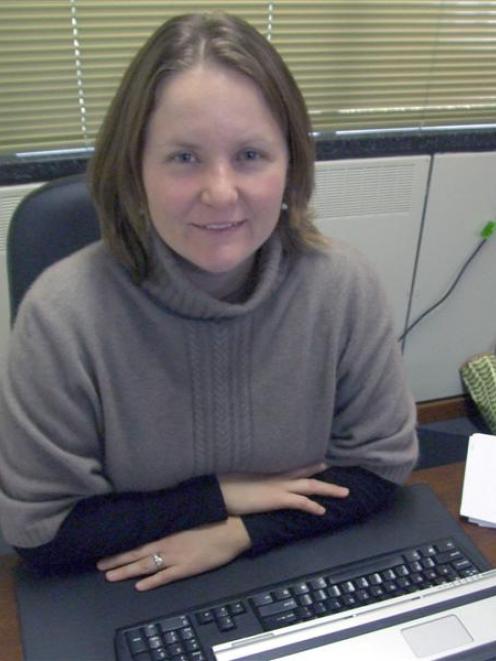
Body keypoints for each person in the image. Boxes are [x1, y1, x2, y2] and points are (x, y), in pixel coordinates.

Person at [0, 12, 418, 592]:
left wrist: (238, 531)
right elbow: (41, 535)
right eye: (184, 157)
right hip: (130, 590)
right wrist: (218, 494)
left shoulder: (343, 288)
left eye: (250, 155)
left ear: (290, 163)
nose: (221, 193)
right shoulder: (63, 316)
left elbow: (380, 470)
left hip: (292, 566)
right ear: (135, 166)